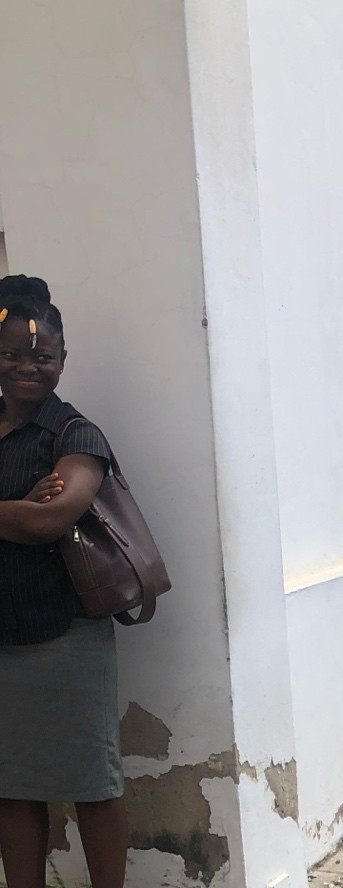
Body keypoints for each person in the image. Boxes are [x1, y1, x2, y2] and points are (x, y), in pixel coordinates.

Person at [0, 275, 128, 888]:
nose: (28, 366)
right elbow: (26, 521)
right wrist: (14, 510)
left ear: (62, 360)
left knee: (89, 786)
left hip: (63, 639)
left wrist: (35, 513)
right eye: (12, 355)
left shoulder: (75, 435)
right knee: (12, 788)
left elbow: (51, 519)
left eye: (42, 356)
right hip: (2, 637)